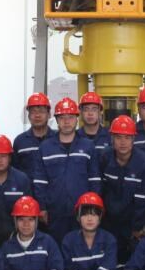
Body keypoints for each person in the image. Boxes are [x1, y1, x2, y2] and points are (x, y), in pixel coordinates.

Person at [97, 114, 145, 270]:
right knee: (111, 259)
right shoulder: (104, 158)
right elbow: (100, 190)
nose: (123, 142)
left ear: (134, 139)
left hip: (133, 223)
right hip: (109, 221)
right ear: (111, 138)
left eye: (127, 137)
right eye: (118, 137)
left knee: (132, 261)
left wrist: (137, 227)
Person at [34, 98, 100, 243]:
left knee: (80, 247)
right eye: (62, 117)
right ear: (56, 120)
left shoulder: (88, 146)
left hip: (82, 211)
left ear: (77, 119)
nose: (66, 121)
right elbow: (40, 181)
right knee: (56, 247)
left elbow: (94, 180)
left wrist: (93, 208)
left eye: (70, 117)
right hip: (55, 211)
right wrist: (42, 207)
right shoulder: (45, 147)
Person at [12, 92, 55, 174]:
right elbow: (14, 172)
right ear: (28, 116)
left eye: (41, 111)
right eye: (33, 111)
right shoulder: (19, 141)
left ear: (49, 114)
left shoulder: (57, 138)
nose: (37, 115)